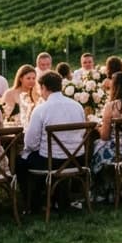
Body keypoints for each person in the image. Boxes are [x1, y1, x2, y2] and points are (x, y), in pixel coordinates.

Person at [17, 72, 87, 209]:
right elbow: (82, 133)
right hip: (77, 160)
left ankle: (34, 203)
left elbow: (30, 143)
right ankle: (58, 198)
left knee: (19, 162)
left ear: (43, 87)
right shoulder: (77, 105)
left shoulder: (41, 109)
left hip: (52, 162)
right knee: (39, 155)